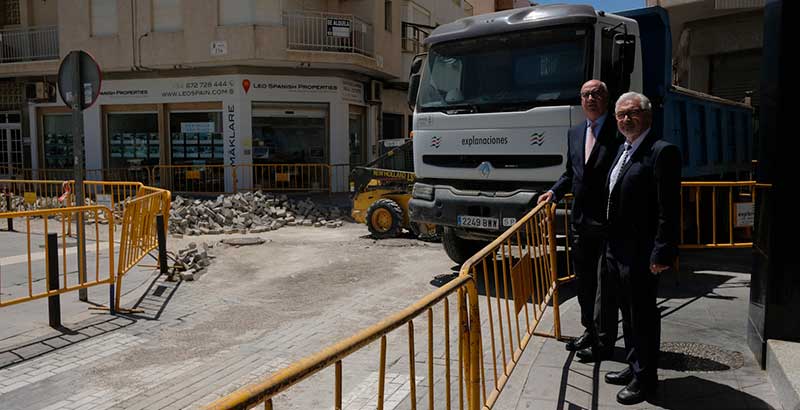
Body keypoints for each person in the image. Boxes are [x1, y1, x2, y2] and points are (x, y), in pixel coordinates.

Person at [601, 92, 681, 405]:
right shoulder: (623, 150)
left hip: (642, 252)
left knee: (643, 315)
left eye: (632, 113)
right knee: (627, 312)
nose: (625, 120)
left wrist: (663, 250)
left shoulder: (662, 152)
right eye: (620, 115)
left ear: (647, 116)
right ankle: (633, 365)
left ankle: (646, 379)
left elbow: (668, 208)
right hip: (617, 248)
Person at [537, 80, 622, 359]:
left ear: (606, 99)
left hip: (610, 223)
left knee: (605, 286)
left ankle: (605, 341)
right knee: (584, 282)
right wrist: (553, 192)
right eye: (586, 95)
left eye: (596, 94)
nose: (590, 99)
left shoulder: (618, 130)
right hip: (581, 222)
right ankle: (590, 330)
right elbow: (571, 173)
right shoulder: (574, 133)